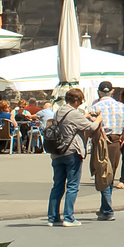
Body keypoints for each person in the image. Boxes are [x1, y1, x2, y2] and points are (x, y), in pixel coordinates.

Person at [47, 87, 97, 227]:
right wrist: (98, 119)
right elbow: (92, 127)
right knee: (72, 185)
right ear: (75, 101)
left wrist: (83, 116)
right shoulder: (74, 113)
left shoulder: (59, 111)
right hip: (71, 151)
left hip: (57, 152)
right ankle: (68, 217)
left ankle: (52, 217)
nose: (80, 104)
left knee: (57, 185)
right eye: (80, 102)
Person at [89, 82, 124, 221]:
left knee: (102, 173)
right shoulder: (120, 105)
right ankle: (104, 207)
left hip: (102, 141)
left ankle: (107, 210)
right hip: (116, 141)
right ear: (112, 91)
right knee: (110, 172)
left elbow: (91, 124)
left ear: (99, 92)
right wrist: (123, 133)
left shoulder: (96, 106)